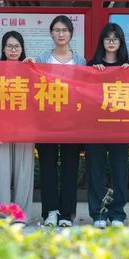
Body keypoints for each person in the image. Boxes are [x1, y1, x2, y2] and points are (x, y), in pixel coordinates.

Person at [36, 15, 87, 227]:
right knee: (47, 168)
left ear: (71, 34)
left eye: (64, 30)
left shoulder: (80, 61)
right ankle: (50, 212)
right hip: (46, 122)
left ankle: (66, 214)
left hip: (72, 123)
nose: (61, 34)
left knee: (69, 168)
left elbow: (85, 90)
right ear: (51, 34)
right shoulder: (42, 59)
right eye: (57, 30)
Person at [85, 23, 129, 228]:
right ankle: (98, 214)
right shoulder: (92, 65)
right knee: (95, 170)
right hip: (95, 126)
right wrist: (92, 74)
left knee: (119, 171)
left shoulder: (128, 66)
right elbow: (84, 95)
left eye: (115, 39)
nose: (111, 42)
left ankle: (118, 214)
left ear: (121, 42)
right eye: (107, 38)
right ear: (102, 42)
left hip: (120, 126)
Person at [0, 31, 35, 222]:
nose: (13, 50)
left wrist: (34, 68)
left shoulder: (31, 69)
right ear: (3, 49)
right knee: (0, 172)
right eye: (9, 46)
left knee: (24, 171)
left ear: (22, 49)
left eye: (17, 46)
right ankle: (1, 215)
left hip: (25, 127)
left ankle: (19, 215)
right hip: (0, 127)